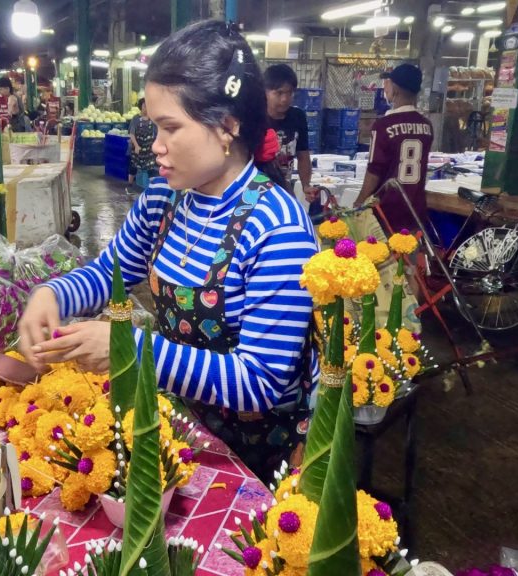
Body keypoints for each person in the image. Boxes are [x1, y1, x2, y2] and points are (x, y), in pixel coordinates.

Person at [18, 20, 319, 481]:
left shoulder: (277, 229)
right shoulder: (165, 199)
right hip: (181, 429)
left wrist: (133, 350)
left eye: (169, 128)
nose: (154, 146)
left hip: (254, 457)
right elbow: (110, 272)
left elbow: (260, 381)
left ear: (227, 126)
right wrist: (52, 295)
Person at [354, 64, 434, 233]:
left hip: (387, 210)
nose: (385, 87)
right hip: (415, 209)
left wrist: (359, 201)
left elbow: (375, 170)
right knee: (410, 248)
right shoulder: (426, 126)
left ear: (395, 89)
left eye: (387, 83)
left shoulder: (383, 125)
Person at [264, 64, 316, 204]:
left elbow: (303, 156)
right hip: (256, 189)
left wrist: (306, 185)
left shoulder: (297, 117)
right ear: (265, 91)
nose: (285, 99)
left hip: (284, 187)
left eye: (290, 93)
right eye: (279, 93)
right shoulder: (255, 117)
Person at [127, 98, 157, 189]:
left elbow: (157, 133)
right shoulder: (136, 119)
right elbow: (132, 134)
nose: (147, 108)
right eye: (144, 106)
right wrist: (136, 146)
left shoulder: (152, 119)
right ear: (141, 107)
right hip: (138, 148)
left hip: (149, 148)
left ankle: (152, 188)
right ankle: (129, 186)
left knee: (150, 167)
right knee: (134, 166)